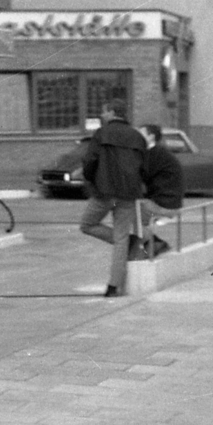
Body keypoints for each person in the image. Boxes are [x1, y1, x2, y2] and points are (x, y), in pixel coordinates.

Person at [79, 101, 149, 296]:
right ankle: (113, 287)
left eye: (104, 111)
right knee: (121, 238)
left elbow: (90, 162)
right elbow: (145, 168)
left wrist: (91, 180)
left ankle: (129, 242)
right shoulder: (138, 137)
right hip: (127, 195)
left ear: (111, 112)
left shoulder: (101, 134)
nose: (102, 115)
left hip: (104, 193)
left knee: (87, 225)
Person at [131, 123, 184, 259]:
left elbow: (141, 174)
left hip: (166, 202)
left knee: (132, 210)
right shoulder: (156, 153)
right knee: (135, 212)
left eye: (140, 134)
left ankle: (154, 244)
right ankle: (151, 244)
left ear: (150, 137)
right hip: (167, 199)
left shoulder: (155, 154)